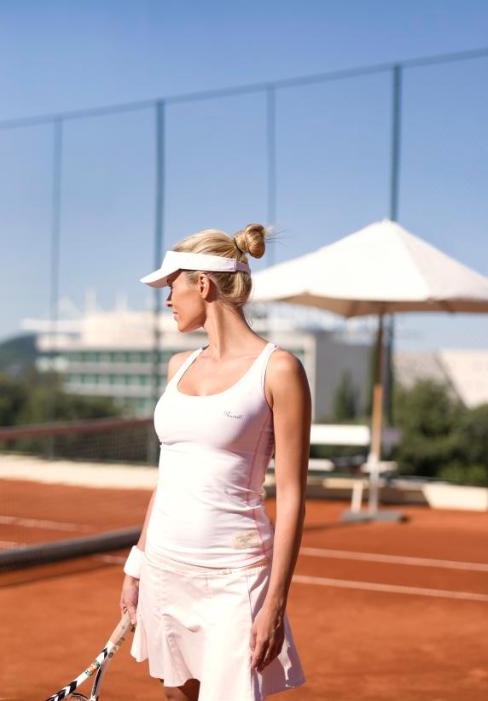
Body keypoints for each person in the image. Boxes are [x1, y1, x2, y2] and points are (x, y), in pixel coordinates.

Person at [123, 224, 308, 700]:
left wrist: (274, 603)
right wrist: (137, 565)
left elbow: (291, 496)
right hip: (165, 568)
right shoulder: (177, 366)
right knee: (174, 695)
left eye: (172, 286)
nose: (167, 299)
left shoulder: (279, 369)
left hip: (236, 577)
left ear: (202, 285)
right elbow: (170, 478)